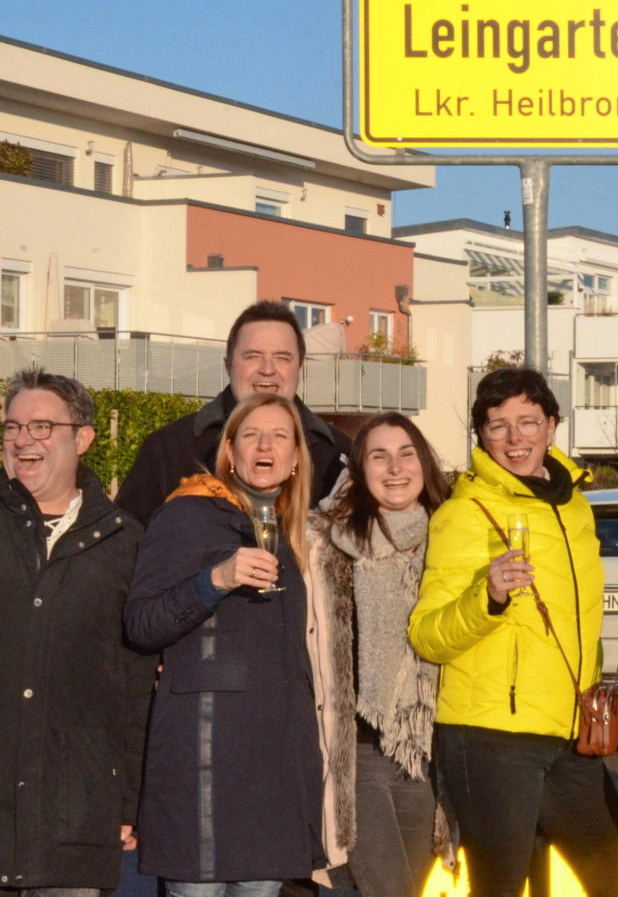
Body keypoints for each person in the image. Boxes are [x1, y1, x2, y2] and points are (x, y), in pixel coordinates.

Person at [408, 367, 618, 897]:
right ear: (482, 436)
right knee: (502, 889)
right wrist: (486, 598)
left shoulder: (576, 507)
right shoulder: (464, 513)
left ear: (552, 427)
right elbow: (428, 636)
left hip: (568, 734)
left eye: (528, 422)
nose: (515, 439)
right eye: (498, 426)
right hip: (491, 737)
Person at [124, 394, 324, 897]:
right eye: (251, 435)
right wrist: (214, 580)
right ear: (229, 452)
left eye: (280, 436)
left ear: (296, 456)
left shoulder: (294, 528)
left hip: (273, 758)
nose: (266, 445)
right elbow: (142, 624)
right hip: (204, 757)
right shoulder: (187, 514)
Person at [0, 370, 157, 896]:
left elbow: (134, 688)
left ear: (83, 438)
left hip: (75, 820)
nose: (23, 439)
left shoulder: (126, 544)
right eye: (13, 426)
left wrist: (127, 800)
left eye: (42, 426)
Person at [305, 412, 452, 897]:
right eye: (379, 456)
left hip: (424, 753)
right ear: (359, 468)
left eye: (406, 454)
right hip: (357, 754)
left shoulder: (453, 539)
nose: (395, 468)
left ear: (424, 464)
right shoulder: (324, 541)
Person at [117, 300, 349, 528]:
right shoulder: (169, 449)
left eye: (282, 358)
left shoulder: (338, 454)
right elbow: (127, 547)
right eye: (253, 356)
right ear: (228, 365)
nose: (267, 370)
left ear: (299, 368)